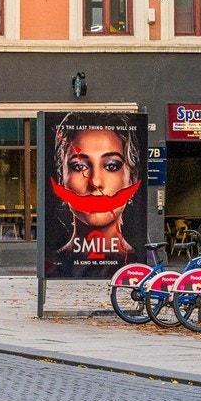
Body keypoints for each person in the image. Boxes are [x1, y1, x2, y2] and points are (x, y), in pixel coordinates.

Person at [47, 112, 144, 278]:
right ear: (62, 178)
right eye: (79, 166)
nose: (95, 182)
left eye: (111, 166)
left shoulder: (137, 265)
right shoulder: (52, 266)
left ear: (132, 179)